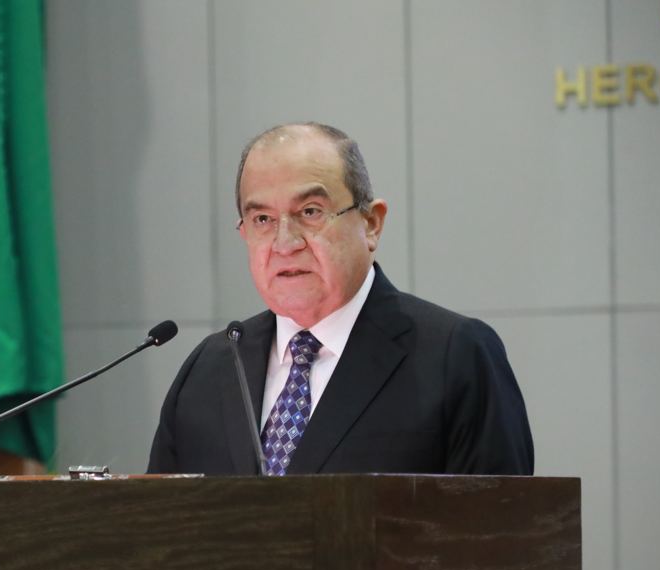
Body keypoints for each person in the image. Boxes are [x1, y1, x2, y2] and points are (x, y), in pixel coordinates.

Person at [147, 122, 533, 476]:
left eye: (310, 212)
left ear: (371, 223)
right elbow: (157, 523)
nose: (285, 243)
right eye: (262, 219)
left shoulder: (455, 356)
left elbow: (501, 524)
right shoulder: (209, 370)